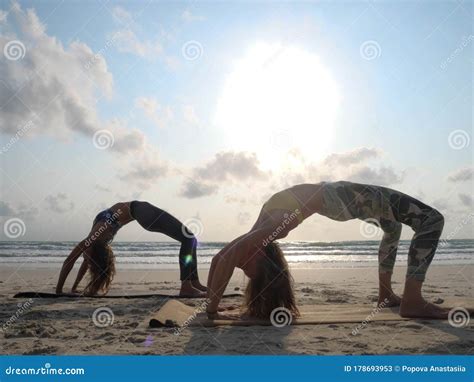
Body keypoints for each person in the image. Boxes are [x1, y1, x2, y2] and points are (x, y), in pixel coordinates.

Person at [206, 181, 448, 319]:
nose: (244, 270)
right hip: (339, 197)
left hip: (337, 198)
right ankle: (413, 301)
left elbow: (220, 258)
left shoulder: (260, 236)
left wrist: (211, 308)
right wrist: (212, 310)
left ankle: (386, 295)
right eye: (251, 274)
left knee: (392, 228)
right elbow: (225, 258)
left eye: (248, 272)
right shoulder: (269, 233)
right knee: (431, 219)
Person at [55, 201, 206, 297]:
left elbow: (69, 261)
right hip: (141, 211)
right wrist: (68, 289)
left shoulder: (93, 239)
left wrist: (61, 290)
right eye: (87, 259)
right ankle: (187, 285)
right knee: (189, 238)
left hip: (142, 214)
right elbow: (78, 262)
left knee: (189, 238)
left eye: (86, 258)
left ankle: (193, 283)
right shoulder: (98, 240)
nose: (85, 259)